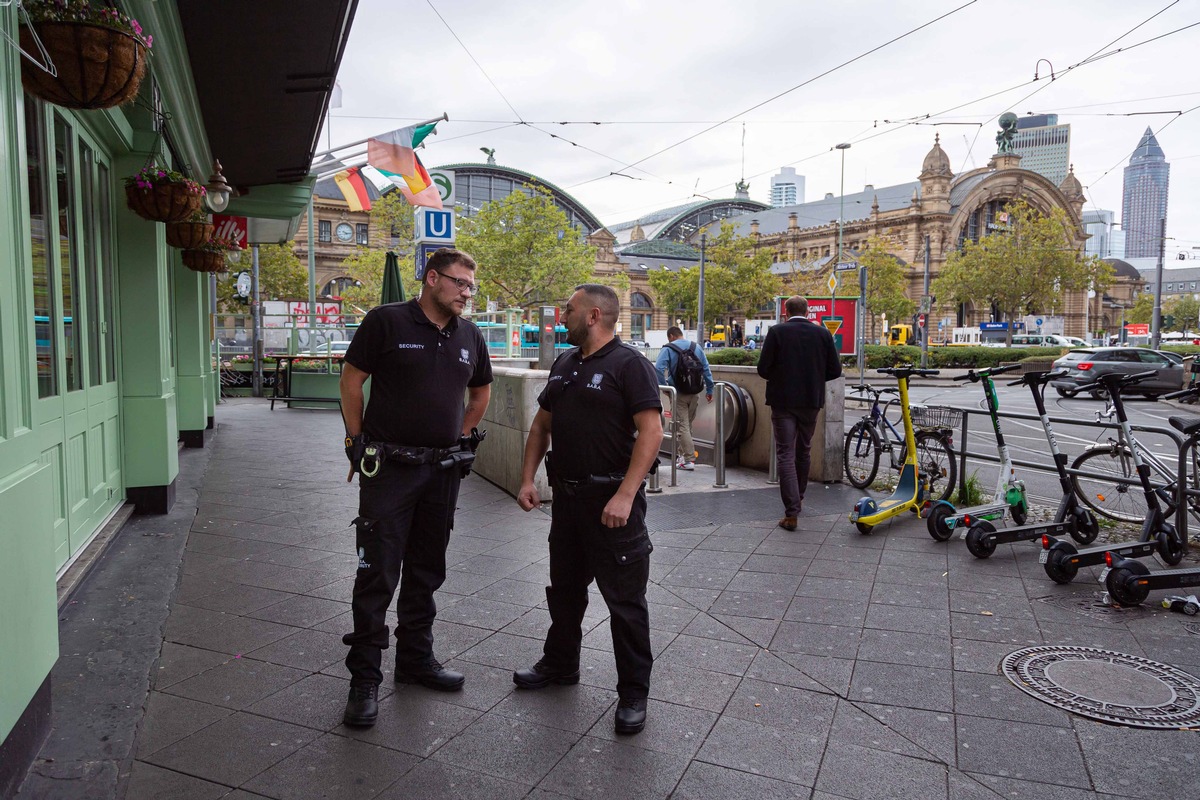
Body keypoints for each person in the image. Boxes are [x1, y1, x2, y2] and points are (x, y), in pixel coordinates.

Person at [338, 248, 493, 728]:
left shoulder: (470, 335)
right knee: (378, 572)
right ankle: (364, 677)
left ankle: (414, 661)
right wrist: (355, 438)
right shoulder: (387, 321)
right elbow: (351, 379)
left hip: (441, 472)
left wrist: (462, 437)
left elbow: (481, 390)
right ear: (431, 279)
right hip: (388, 468)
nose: (467, 293)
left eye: (472, 286)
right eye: (459, 283)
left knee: (427, 570)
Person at [514, 284, 663, 735]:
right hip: (569, 504)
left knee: (625, 604)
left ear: (594, 315)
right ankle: (561, 665)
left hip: (613, 507)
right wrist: (527, 479)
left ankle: (633, 694)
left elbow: (652, 433)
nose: (563, 314)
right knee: (565, 593)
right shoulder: (564, 363)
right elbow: (542, 426)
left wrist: (625, 494)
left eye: (570, 308)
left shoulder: (630, 365)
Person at [756, 296, 841, 531]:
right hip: (811, 402)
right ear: (807, 311)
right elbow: (835, 369)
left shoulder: (777, 332)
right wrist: (812, 379)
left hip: (783, 402)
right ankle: (799, 499)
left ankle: (791, 513)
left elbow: (763, 369)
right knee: (803, 451)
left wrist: (783, 377)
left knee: (785, 452)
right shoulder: (823, 334)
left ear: (786, 311)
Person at [654, 326, 714, 470]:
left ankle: (688, 460)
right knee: (687, 426)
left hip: (678, 394)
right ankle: (682, 457)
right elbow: (706, 369)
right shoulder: (696, 347)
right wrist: (710, 389)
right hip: (695, 393)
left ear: (671, 336)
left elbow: (658, 370)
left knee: (682, 426)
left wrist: (666, 389)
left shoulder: (668, 348)